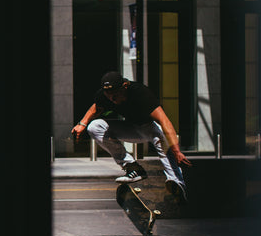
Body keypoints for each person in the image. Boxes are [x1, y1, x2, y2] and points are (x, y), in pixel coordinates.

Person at [72, 70, 191, 201]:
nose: (112, 99)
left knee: (161, 140)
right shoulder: (104, 95)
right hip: (130, 128)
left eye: (115, 94)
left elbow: (164, 121)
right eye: (109, 95)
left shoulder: (141, 93)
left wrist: (177, 151)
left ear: (125, 86)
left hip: (148, 127)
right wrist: (82, 124)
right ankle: (132, 167)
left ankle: (177, 183)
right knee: (94, 127)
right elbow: (95, 108)